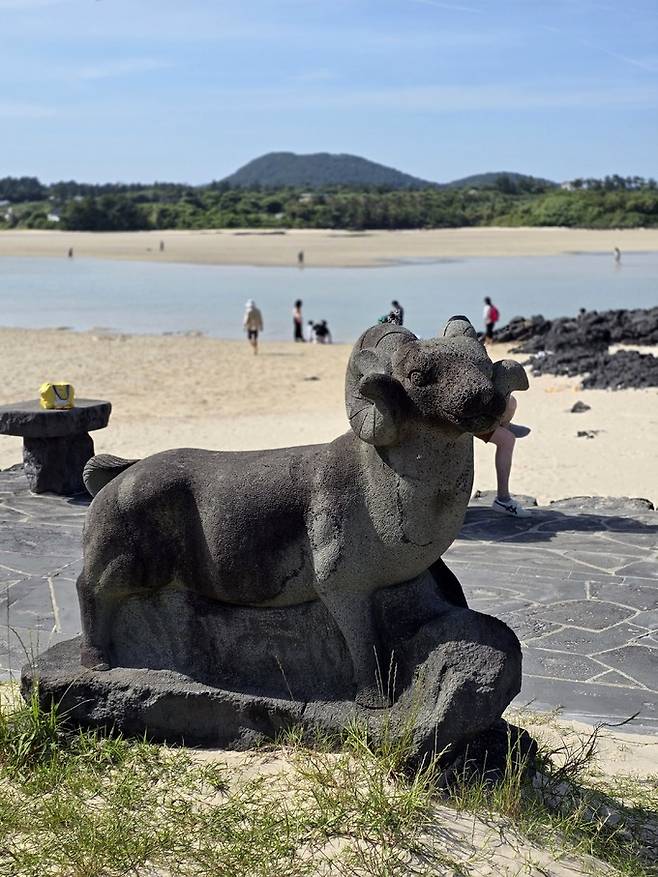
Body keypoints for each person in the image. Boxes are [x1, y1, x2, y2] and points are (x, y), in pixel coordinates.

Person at [477, 395, 531, 517]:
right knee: (507, 440)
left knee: (511, 402)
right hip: (462, 414)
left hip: (471, 407)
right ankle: (503, 500)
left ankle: (503, 426)